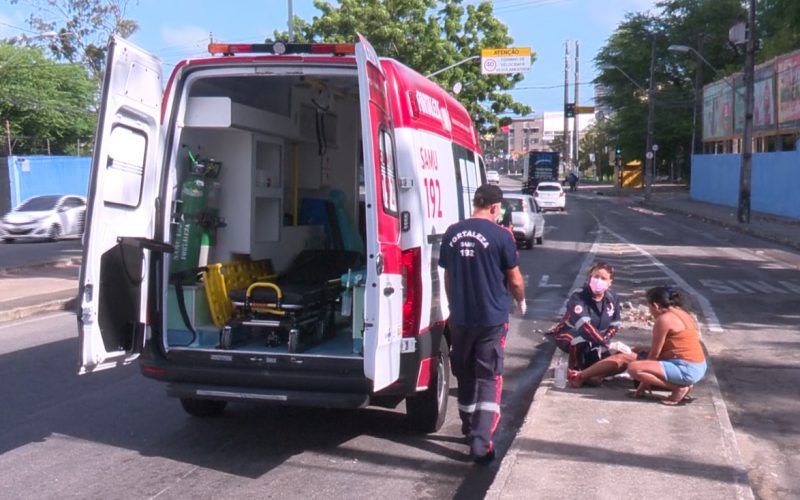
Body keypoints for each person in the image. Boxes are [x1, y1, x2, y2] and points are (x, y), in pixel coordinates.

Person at [438, 183, 526, 464]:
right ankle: (480, 443)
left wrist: (454, 306)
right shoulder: (501, 235)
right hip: (491, 320)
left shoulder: (452, 232)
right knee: (489, 377)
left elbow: (448, 276)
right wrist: (520, 301)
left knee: (464, 372)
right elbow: (514, 279)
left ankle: (467, 426)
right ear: (495, 207)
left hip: (461, 319)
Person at [627, 286, 707, 405]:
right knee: (640, 351)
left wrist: (643, 383)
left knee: (633, 368)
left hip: (686, 369)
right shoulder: (683, 313)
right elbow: (674, 345)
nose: (650, 312)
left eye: (650, 308)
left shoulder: (663, 320)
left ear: (656, 306)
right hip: (699, 366)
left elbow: (654, 355)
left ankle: (677, 388)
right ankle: (680, 385)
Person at [549, 262, 621, 374]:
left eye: (603, 278)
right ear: (590, 278)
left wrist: (605, 340)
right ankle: (575, 370)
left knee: (610, 363)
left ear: (610, 282)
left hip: (597, 338)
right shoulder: (578, 296)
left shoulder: (612, 298)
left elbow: (615, 324)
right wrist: (605, 343)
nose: (599, 281)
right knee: (580, 341)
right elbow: (584, 326)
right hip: (569, 333)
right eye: (596, 277)